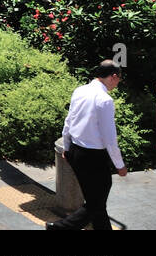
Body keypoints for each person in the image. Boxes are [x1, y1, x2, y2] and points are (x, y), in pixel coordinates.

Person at [47, 60, 127, 230]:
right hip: (93, 158)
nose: (118, 82)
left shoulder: (80, 91)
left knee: (95, 202)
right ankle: (58, 228)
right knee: (96, 203)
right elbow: (109, 138)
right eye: (119, 78)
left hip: (76, 152)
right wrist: (119, 165)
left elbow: (69, 121)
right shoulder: (105, 100)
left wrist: (67, 148)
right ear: (113, 76)